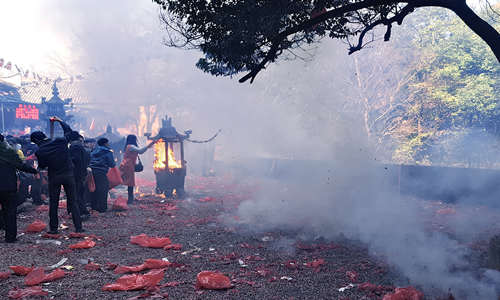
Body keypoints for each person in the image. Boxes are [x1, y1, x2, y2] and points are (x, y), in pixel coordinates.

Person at [30, 117, 84, 234]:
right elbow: (70, 133)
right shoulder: (60, 141)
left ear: (36, 141)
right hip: (68, 175)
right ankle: (78, 227)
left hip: (54, 176)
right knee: (73, 201)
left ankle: (54, 228)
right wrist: (60, 121)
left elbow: (43, 166)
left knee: (53, 203)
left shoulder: (40, 151)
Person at [0, 134, 37, 242]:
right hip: (8, 187)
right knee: (10, 212)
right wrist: (34, 171)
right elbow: (22, 166)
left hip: (7, 187)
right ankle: (10, 237)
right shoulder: (9, 153)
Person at [119, 135, 154, 204]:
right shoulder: (131, 146)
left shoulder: (128, 146)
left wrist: (148, 146)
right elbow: (140, 151)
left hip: (127, 165)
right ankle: (130, 200)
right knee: (130, 183)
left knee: (129, 182)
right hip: (128, 166)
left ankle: (130, 199)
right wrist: (148, 145)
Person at [89, 138, 115, 212]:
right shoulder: (108, 152)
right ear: (105, 143)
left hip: (91, 171)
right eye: (108, 143)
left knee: (94, 188)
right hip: (101, 172)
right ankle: (102, 208)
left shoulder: (93, 150)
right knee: (103, 189)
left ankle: (94, 206)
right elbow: (112, 164)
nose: (109, 144)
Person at [69, 131, 91, 220]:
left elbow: (76, 159)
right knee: (79, 193)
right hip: (81, 173)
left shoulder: (75, 146)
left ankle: (82, 212)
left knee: (77, 194)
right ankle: (81, 211)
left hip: (76, 174)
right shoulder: (81, 146)